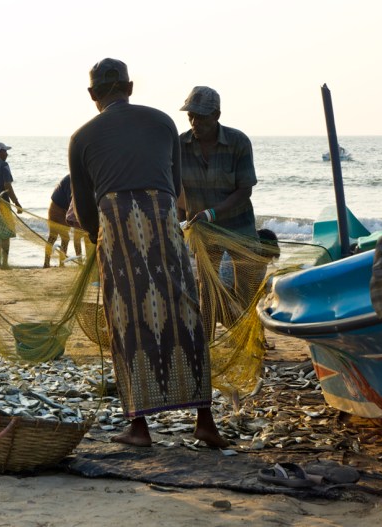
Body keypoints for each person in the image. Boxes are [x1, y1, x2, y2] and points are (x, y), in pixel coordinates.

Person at [69, 57, 228, 449]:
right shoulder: (163, 122)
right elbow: (174, 187)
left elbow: (85, 206)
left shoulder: (82, 136)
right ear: (130, 86)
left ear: (92, 95)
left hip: (117, 226)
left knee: (127, 318)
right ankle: (204, 419)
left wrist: (96, 235)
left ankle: (139, 427)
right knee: (183, 311)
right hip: (162, 222)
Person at [178, 85, 262, 337]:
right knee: (206, 288)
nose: (195, 121)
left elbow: (244, 190)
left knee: (248, 288)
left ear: (216, 115)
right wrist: (180, 216)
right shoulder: (180, 145)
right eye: (190, 115)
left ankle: (253, 338)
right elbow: (173, 187)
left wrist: (211, 213)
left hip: (240, 228)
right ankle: (205, 342)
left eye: (201, 116)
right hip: (203, 231)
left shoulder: (238, 142)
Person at [44, 174, 84, 268]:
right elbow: (72, 202)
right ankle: (62, 263)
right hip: (59, 210)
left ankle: (47, 263)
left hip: (54, 207)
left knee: (52, 238)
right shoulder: (74, 179)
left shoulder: (74, 177)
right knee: (66, 238)